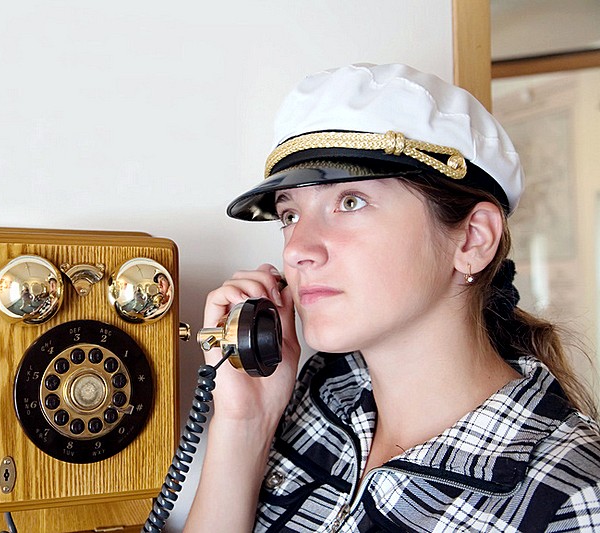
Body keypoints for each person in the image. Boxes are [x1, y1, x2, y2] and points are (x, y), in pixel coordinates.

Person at [183, 63, 600, 532]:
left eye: (350, 202)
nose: (297, 249)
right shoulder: (320, 395)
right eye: (290, 214)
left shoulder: (572, 501)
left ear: (472, 240)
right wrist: (246, 425)